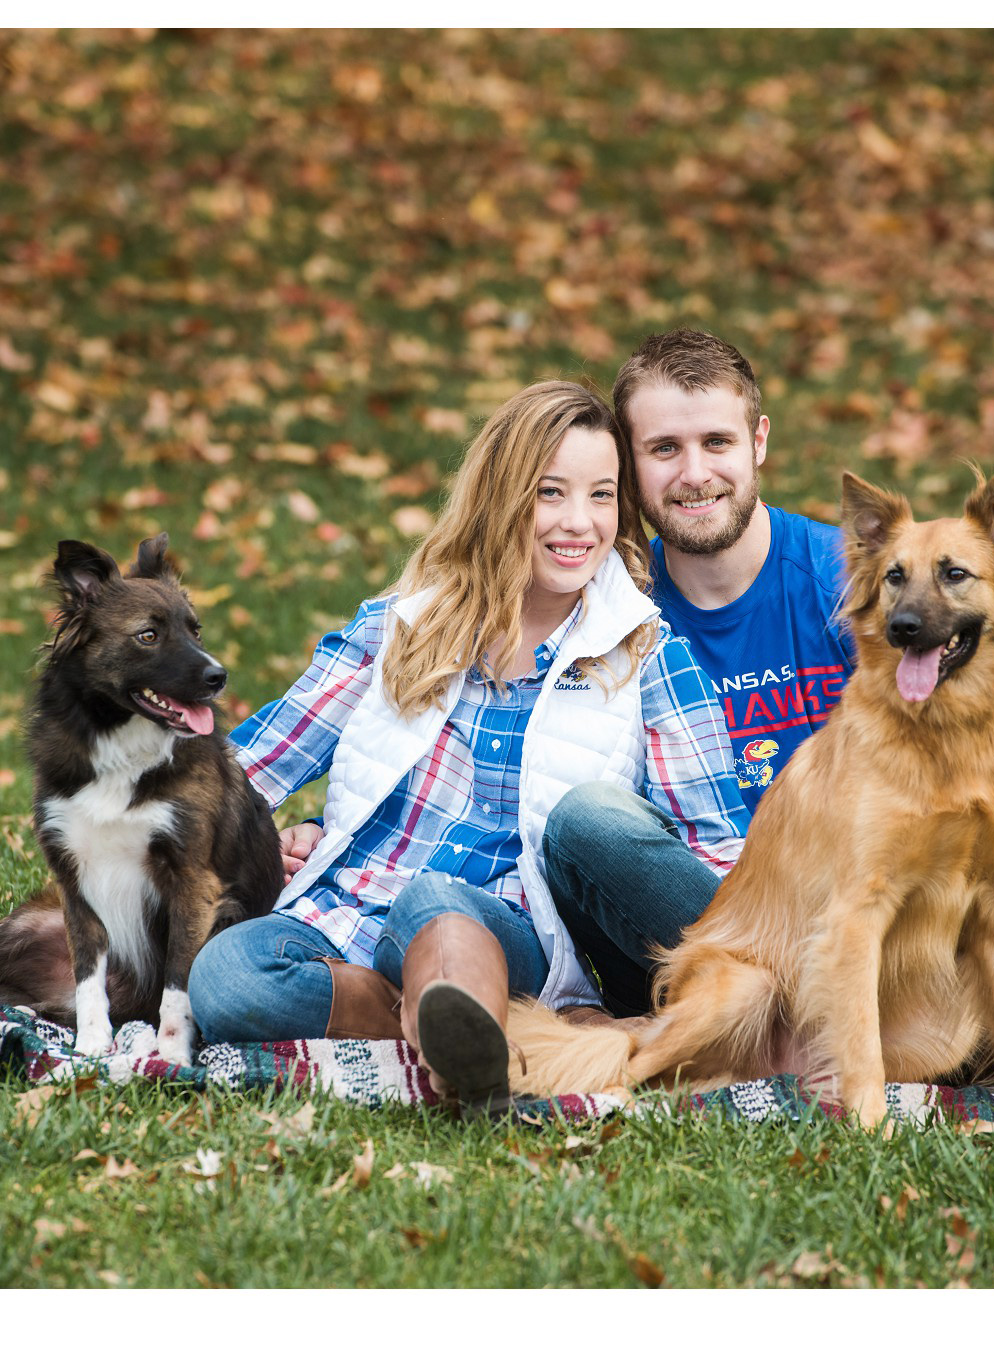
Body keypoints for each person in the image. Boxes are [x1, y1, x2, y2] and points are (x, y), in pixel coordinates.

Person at [545, 330, 994, 1017]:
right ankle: (830, 1019)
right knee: (585, 822)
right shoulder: (609, 609)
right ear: (630, 460)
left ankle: (855, 1020)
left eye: (717, 442)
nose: (694, 473)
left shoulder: (860, 579)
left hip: (886, 907)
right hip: (716, 923)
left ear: (758, 440)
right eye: (663, 449)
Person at [185, 380, 750, 1104]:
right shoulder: (399, 626)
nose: (579, 523)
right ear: (500, 495)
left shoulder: (645, 652)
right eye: (550, 493)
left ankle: (467, 1039)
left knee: (437, 902)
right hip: (355, 916)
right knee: (227, 978)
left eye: (602, 496)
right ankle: (470, 1029)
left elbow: (710, 850)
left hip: (508, 926)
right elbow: (248, 770)